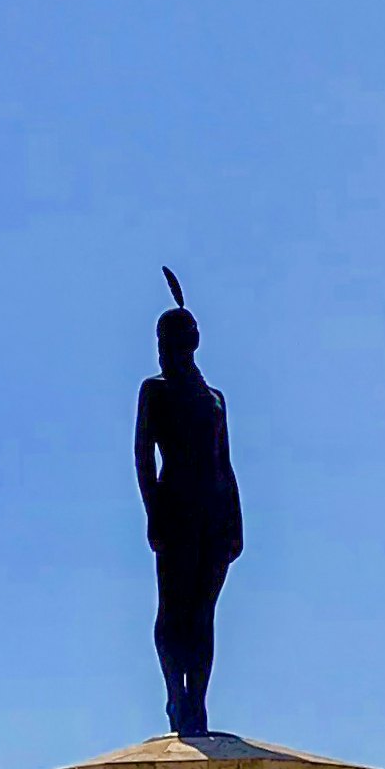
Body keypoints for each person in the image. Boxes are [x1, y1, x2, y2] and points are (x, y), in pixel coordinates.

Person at [135, 269, 241, 736]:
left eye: (175, 338)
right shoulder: (155, 390)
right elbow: (143, 455)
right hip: (176, 507)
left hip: (215, 513)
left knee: (204, 613)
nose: (168, 347)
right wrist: (153, 511)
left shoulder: (215, 398)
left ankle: (195, 701)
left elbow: (226, 460)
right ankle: (174, 694)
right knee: (171, 610)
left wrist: (236, 521)